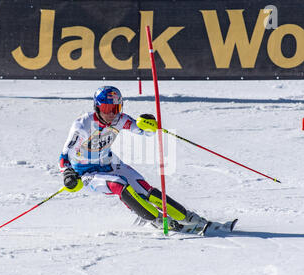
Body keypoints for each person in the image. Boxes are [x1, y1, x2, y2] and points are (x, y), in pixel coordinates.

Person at [58, 86, 236, 235]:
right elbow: (64, 157)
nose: (111, 114)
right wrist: (67, 174)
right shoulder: (82, 125)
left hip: (110, 163)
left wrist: (149, 124)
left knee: (145, 189)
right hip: (87, 173)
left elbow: (143, 131)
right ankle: (158, 220)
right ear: (97, 107)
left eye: (115, 109)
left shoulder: (120, 119)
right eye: (106, 109)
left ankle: (193, 220)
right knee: (119, 184)